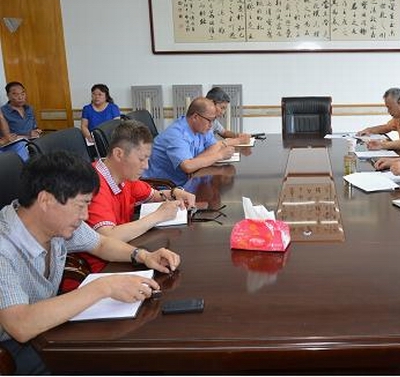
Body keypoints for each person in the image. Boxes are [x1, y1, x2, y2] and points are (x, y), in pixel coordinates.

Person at [0, 151, 181, 374]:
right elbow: (20, 325)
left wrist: (143, 256)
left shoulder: (53, 223)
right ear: (45, 200)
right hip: (11, 352)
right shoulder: (3, 247)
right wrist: (103, 287)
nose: (85, 216)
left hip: (45, 329)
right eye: (81, 205)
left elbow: (100, 244)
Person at [79, 120, 195, 276]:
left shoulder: (124, 175)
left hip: (125, 254)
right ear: (119, 154)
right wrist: (158, 216)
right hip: (100, 269)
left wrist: (175, 193)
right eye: (141, 159)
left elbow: (153, 195)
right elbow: (108, 237)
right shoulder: (93, 184)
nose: (146, 166)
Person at [144, 97, 236, 185]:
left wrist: (195, 162)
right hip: (165, 186)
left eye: (213, 120)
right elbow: (187, 167)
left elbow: (214, 146)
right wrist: (219, 155)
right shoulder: (177, 134)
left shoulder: (202, 127)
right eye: (209, 120)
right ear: (195, 117)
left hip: (189, 179)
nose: (211, 125)